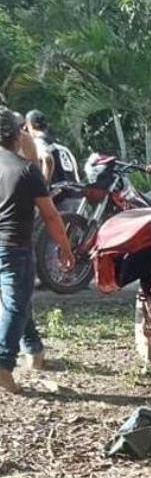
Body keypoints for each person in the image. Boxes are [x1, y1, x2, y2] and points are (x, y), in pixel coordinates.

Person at [0, 107, 75, 393]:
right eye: (22, 130)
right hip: (14, 247)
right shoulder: (26, 170)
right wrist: (65, 248)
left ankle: (34, 351)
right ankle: (4, 362)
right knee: (16, 304)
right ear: (15, 134)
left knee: (16, 300)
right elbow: (51, 216)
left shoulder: (23, 166)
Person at [25, 110, 79, 184]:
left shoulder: (38, 143)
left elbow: (47, 157)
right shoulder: (62, 146)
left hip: (57, 193)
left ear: (30, 125)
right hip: (74, 192)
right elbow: (75, 172)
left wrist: (44, 186)